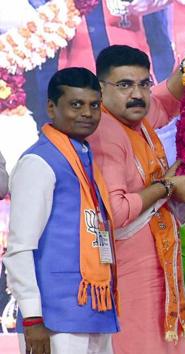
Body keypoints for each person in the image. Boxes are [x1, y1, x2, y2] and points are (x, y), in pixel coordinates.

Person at [88, 44, 185, 354]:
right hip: (128, 275)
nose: (137, 93)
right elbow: (116, 211)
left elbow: (165, 100)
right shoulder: (106, 134)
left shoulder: (133, 117)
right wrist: (167, 187)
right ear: (101, 88)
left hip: (159, 267)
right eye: (125, 85)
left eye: (143, 83)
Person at [4, 67, 118, 354]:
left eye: (94, 105)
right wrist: (32, 318)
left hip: (94, 310)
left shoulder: (84, 158)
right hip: (54, 319)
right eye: (76, 104)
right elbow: (19, 248)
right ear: (51, 107)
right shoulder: (39, 162)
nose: (87, 113)